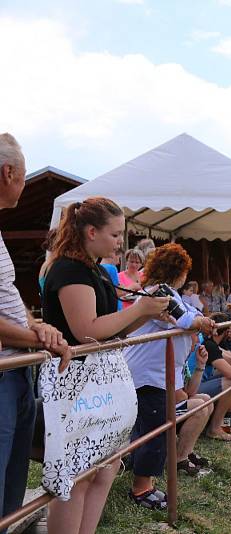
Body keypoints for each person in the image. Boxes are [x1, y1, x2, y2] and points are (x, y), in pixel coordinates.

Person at [41, 196, 169, 534]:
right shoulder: (69, 269)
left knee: (105, 469)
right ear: (91, 231)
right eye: (115, 235)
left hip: (100, 383)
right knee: (78, 478)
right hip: (77, 384)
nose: (120, 243)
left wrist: (147, 313)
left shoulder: (94, 270)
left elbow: (113, 329)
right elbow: (87, 331)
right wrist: (140, 310)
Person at [0, 133, 71, 530]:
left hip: (15, 370)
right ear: (9, 173)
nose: (24, 184)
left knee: (12, 477)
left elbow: (6, 294)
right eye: (24, 175)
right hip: (5, 371)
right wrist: (39, 337)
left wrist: (34, 323)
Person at [123, 244, 216, 509]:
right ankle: (141, 489)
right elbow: (187, 320)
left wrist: (199, 319)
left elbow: (190, 313)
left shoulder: (165, 292)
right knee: (155, 432)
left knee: (149, 430)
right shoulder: (159, 293)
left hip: (154, 375)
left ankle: (140, 476)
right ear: (179, 271)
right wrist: (201, 323)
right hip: (149, 376)